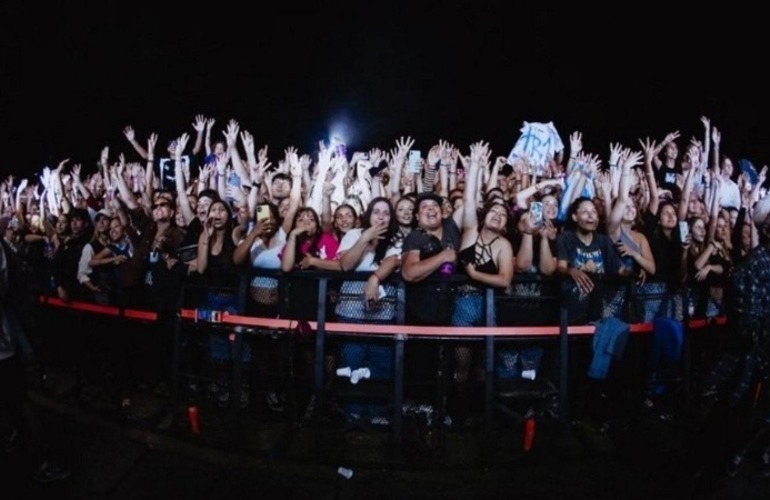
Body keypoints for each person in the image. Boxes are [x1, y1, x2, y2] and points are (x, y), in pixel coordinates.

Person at [693, 193, 770, 480]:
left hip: (758, 356)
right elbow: (749, 323)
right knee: (730, 416)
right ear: (765, 229)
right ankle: (710, 468)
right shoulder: (753, 266)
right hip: (748, 357)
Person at [0, 237, 70, 483]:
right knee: (17, 403)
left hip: (3, 345)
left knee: (18, 402)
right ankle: (37, 459)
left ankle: (38, 460)